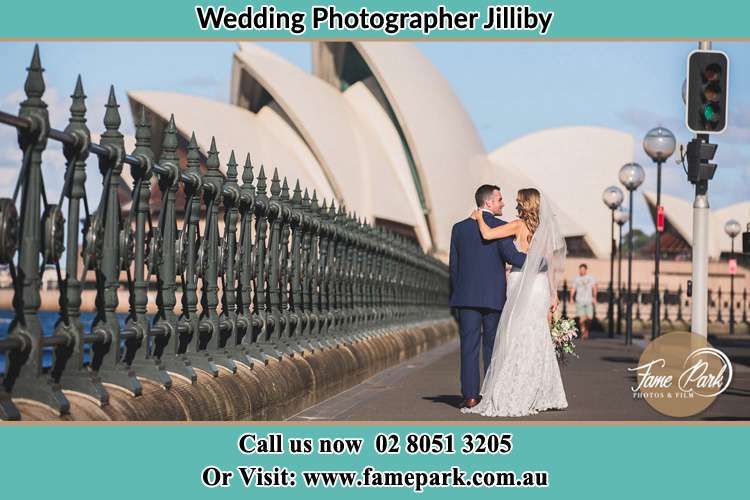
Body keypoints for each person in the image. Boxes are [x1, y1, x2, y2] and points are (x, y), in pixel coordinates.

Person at [461, 188, 568, 417]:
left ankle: (516, 388)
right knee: (537, 333)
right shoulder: (544, 228)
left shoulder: (518, 225)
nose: (514, 203)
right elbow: (547, 263)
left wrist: (480, 217)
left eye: (518, 200)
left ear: (524, 204)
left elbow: (488, 235)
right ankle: (540, 391)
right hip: (539, 285)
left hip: (521, 282)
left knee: (515, 334)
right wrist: (553, 293)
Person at [449, 185, 527, 409]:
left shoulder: (459, 228)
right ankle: (491, 393)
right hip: (493, 296)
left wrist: (458, 293)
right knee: (492, 346)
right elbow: (511, 256)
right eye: (500, 199)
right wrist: (539, 261)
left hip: (466, 297)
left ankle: (471, 396)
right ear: (488, 203)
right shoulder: (501, 227)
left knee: (468, 347)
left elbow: (454, 266)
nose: (503, 203)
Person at [570, 263, 597, 340]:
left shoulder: (591, 278)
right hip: (580, 300)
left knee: (590, 317)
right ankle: (583, 332)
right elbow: (573, 288)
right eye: (580, 270)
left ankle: (586, 329)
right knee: (581, 319)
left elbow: (594, 288)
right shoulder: (576, 278)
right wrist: (571, 298)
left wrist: (595, 298)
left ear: (586, 270)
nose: (581, 271)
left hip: (589, 300)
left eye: (583, 270)